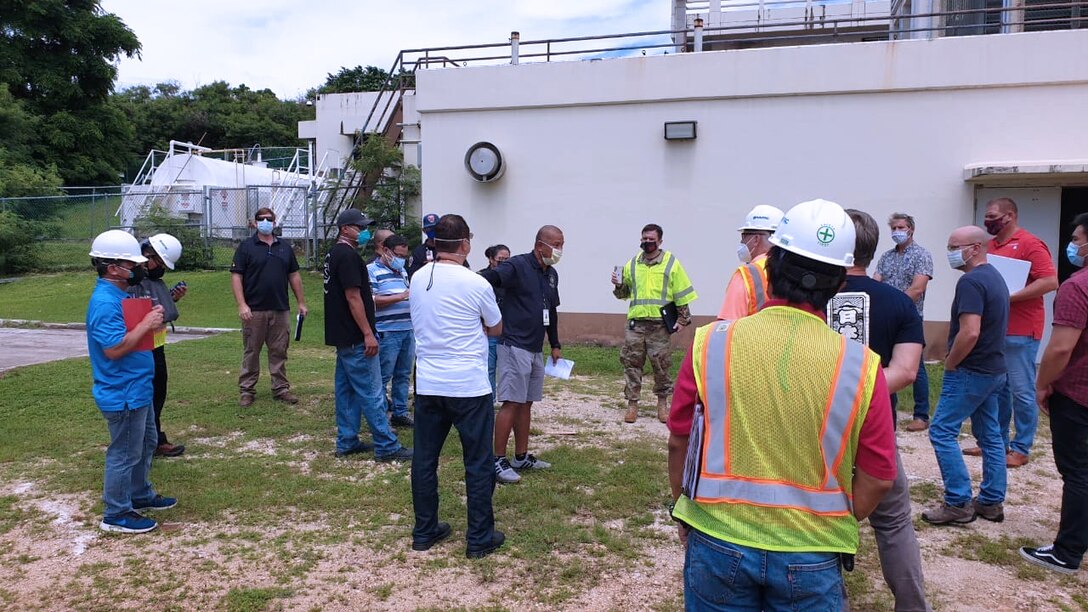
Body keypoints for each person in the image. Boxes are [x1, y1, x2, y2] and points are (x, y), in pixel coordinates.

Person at [667, 199, 897, 610]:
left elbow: (679, 439)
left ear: (769, 268)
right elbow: (879, 477)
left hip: (718, 538)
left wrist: (683, 506)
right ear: (839, 284)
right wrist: (833, 519)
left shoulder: (710, 344)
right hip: (812, 552)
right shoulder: (862, 366)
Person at [843, 209, 930, 610]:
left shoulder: (812, 296)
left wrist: (833, 391)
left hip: (818, 424)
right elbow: (907, 371)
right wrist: (865, 393)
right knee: (894, 522)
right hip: (876, 425)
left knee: (818, 510)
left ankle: (827, 596)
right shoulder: (899, 303)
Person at [409, 214, 506, 559]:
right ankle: (479, 537)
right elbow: (495, 328)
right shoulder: (476, 283)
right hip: (468, 385)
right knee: (477, 462)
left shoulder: (419, 277)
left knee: (424, 459)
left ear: (434, 243)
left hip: (430, 383)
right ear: (465, 244)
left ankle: (424, 530)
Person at [86, 230, 176, 534]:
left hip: (139, 387)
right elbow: (113, 350)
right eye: (132, 263)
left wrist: (151, 322)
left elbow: (132, 338)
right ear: (113, 268)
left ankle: (140, 494)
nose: (139, 268)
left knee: (147, 442)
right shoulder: (104, 303)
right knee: (124, 452)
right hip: (122, 391)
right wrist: (146, 324)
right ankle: (116, 512)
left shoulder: (120, 296)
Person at [921, 225, 1010, 525]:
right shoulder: (995, 277)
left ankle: (958, 501)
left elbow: (970, 332)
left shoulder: (971, 283)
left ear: (975, 248)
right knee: (991, 436)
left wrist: (951, 362)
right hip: (994, 369)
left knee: (941, 431)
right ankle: (991, 501)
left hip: (971, 370)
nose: (950, 253)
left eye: (954, 246)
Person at [962, 198, 1058, 467]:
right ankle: (996, 442)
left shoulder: (1030, 243)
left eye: (993, 216)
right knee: (997, 389)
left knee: (1021, 390)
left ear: (1010, 216)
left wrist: (1008, 297)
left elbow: (1050, 281)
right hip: (995, 329)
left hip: (1021, 329)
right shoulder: (989, 246)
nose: (988, 221)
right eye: (986, 216)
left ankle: (1021, 447)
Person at [1020, 213, 1088, 575]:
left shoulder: (1078, 286)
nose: (1073, 246)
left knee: (1077, 472)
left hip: (1078, 393)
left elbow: (1061, 348)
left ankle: (1067, 551)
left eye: (1077, 238)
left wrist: (1043, 383)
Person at [324, 208, 413, 462]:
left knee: (346, 389)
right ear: (345, 229)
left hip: (342, 335)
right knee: (372, 390)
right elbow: (354, 298)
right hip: (355, 335)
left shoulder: (334, 253)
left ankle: (347, 440)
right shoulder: (349, 256)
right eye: (359, 227)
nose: (364, 232)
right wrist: (367, 333)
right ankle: (386, 445)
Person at [481, 225, 564, 484]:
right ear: (540, 245)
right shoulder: (517, 266)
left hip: (535, 347)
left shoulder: (551, 274)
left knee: (526, 402)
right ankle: (496, 460)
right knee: (512, 402)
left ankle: (521, 455)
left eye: (562, 244)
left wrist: (555, 343)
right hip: (513, 344)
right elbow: (487, 279)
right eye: (556, 244)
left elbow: (551, 311)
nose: (560, 250)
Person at [611, 223, 698, 423]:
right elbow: (623, 294)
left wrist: (684, 318)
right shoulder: (632, 264)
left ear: (660, 241)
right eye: (644, 239)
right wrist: (618, 285)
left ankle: (662, 405)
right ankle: (632, 405)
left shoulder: (671, 263)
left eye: (651, 239)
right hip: (636, 325)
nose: (647, 242)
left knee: (661, 366)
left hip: (659, 326)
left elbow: (681, 292)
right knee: (632, 364)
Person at [229, 207, 308, 407]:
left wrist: (300, 302)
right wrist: (241, 305)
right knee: (251, 351)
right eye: (261, 219)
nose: (266, 222)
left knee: (279, 350)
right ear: (255, 223)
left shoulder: (285, 247)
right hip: (253, 310)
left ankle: (281, 389)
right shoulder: (246, 247)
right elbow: (236, 276)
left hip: (280, 309)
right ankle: (247, 390)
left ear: (274, 222)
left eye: (269, 219)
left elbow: (294, 275)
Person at [874, 212, 935, 432]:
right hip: (886, 318)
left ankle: (921, 414)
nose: (897, 231)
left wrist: (892, 307)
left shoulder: (921, 255)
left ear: (911, 229)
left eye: (901, 227)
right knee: (887, 364)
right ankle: (888, 410)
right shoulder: (886, 257)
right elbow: (876, 282)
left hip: (909, 317)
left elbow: (918, 288)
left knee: (915, 368)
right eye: (894, 228)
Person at [129, 233, 188, 457]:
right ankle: (144, 443)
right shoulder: (131, 281)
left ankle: (154, 439)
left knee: (158, 392)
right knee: (145, 394)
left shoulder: (152, 282)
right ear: (147, 255)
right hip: (139, 347)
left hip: (156, 345)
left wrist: (172, 297)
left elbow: (156, 307)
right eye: (160, 263)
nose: (160, 268)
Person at [368, 234, 415, 428]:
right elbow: (371, 300)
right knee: (383, 375)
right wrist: (401, 296)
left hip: (407, 329)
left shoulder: (401, 272)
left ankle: (400, 412)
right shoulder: (371, 270)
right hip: (387, 331)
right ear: (386, 251)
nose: (401, 259)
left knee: (403, 374)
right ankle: (377, 414)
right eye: (398, 255)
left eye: (404, 256)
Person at [717, 204, 784, 321]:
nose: (742, 241)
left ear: (756, 239)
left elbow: (726, 326)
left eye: (744, 236)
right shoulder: (792, 270)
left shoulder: (748, 275)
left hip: (754, 338)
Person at [479, 244, 511, 405]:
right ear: (491, 260)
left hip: (509, 331)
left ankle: (508, 399)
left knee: (508, 369)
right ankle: (489, 399)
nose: (504, 264)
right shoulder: (482, 277)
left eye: (507, 260)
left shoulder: (512, 278)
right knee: (489, 368)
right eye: (500, 260)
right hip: (489, 330)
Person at [407, 213, 440, 280]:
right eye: (429, 229)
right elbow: (412, 276)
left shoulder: (448, 248)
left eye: (435, 228)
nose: (433, 231)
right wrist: (425, 268)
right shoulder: (418, 252)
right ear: (424, 231)